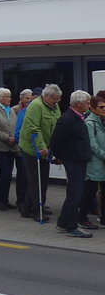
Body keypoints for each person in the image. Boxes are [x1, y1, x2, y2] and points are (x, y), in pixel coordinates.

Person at [50, 90, 93, 237]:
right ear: (79, 103)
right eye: (87, 103)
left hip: (80, 159)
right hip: (73, 160)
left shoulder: (78, 117)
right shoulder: (67, 119)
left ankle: (63, 221)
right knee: (75, 194)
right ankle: (71, 225)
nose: (89, 105)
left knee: (74, 193)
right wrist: (60, 156)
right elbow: (56, 141)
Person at [18, 84, 61, 221]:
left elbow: (57, 125)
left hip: (47, 147)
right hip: (31, 147)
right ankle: (35, 210)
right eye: (54, 99)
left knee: (44, 179)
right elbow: (34, 128)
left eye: (58, 99)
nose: (57, 102)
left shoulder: (54, 106)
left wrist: (54, 148)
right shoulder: (35, 106)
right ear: (46, 96)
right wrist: (42, 147)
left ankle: (30, 206)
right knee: (35, 180)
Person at [81, 93, 105, 230]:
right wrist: (103, 155)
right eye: (101, 107)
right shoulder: (90, 123)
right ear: (93, 108)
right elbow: (92, 144)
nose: (104, 109)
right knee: (90, 191)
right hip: (95, 163)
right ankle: (82, 217)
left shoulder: (102, 121)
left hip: (102, 161)